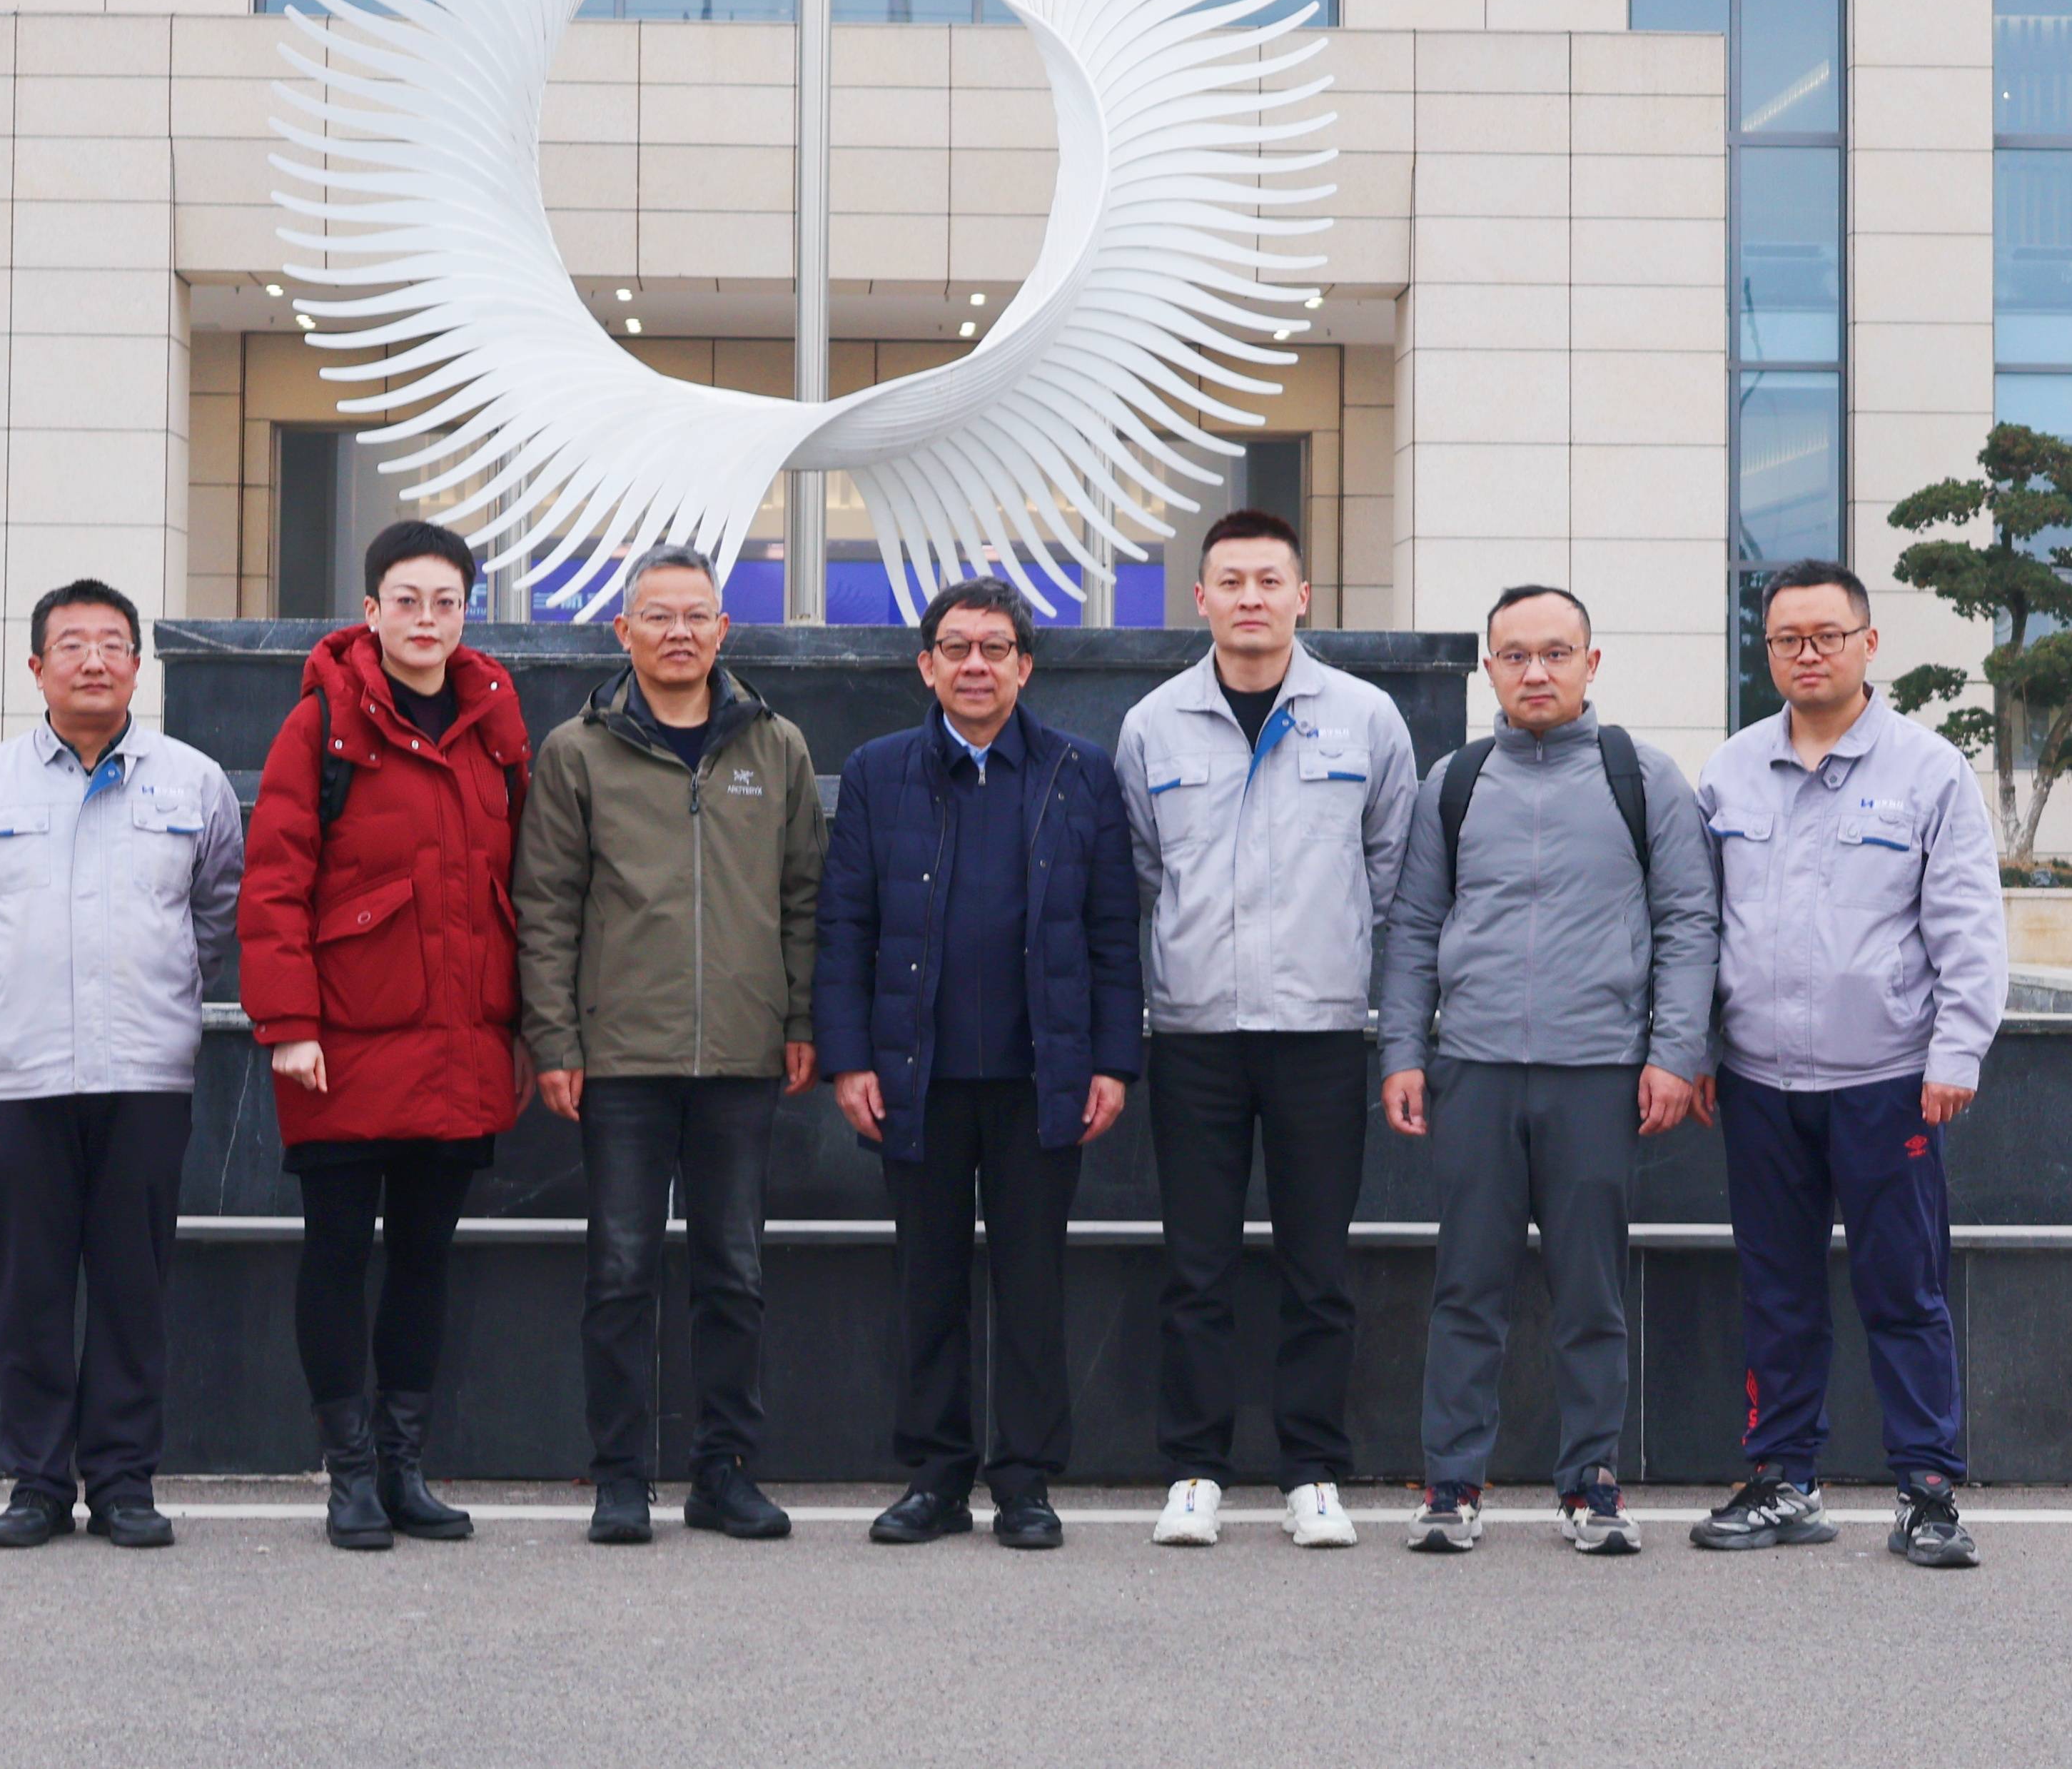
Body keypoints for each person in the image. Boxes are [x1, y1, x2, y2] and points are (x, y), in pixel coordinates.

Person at [1374, 585, 1719, 1557]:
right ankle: (1451, 1483)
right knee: (1466, 1287)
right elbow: (1412, 926)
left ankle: (1591, 1483)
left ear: (1590, 664)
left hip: (1597, 1072)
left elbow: (1688, 922)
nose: (1536, 672)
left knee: (1590, 1291)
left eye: (1556, 653)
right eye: (1516, 655)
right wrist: (1402, 1052)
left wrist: (1674, 1053)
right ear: (1489, 667)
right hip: (1474, 1070)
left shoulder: (1640, 777)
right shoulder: (1454, 781)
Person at [1688, 559, 2005, 1571]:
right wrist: (1696, 1046)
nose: (1808, 653)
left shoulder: (1928, 771)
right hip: (1757, 1083)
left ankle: (1927, 1492)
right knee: (1775, 1290)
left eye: (1828, 635)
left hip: (1888, 1082)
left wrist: (1957, 1050)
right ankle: (1784, 1479)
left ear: (1869, 643)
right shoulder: (1730, 771)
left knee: (1903, 1292)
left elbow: (1968, 924)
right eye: (1787, 638)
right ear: (1767, 651)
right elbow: (1699, 926)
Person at [816, 575, 1143, 1553]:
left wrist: (1113, 1061)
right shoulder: (878, 771)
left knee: (1032, 1283)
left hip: (1043, 1074)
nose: (974, 665)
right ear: (926, 665)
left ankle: (1026, 1481)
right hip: (913, 1072)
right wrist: (848, 1059)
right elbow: (844, 926)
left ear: (1024, 666)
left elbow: (1113, 930)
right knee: (927, 1280)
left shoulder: (1079, 772)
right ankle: (935, 1477)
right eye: (955, 648)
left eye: (994, 648)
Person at [512, 543, 827, 1546]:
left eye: (696, 616)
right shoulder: (577, 750)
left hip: (741, 1054)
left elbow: (804, 899)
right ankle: (619, 1475)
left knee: (734, 1271)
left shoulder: (775, 745)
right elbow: (546, 906)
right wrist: (554, 1039)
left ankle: (723, 1472)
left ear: (724, 629)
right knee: (619, 1272)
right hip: (620, 1059)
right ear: (624, 631)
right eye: (658, 615)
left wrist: (801, 1021)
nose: (678, 632)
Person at [1115, 508, 1417, 1551]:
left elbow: (1393, 875)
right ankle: (1194, 1470)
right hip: (1194, 1032)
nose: (1251, 598)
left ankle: (1311, 1472)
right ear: (1200, 599)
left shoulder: (1367, 717)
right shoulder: (1153, 723)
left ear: (1302, 596)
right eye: (1231, 582)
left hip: (1319, 1032)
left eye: (1269, 581)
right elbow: (1142, 876)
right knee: (1194, 1268)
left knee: (1316, 1268)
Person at [0, 578, 243, 1552]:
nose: (93, 660)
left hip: (145, 1073)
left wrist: (164, 992)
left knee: (132, 1287)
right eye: (71, 644)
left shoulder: (193, 782)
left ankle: (123, 1480)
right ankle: (36, 1481)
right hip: (21, 1075)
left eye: (112, 643)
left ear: (138, 665)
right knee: (29, 1289)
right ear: (37, 668)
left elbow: (218, 912)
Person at [237, 519, 533, 1551]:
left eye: (445, 602)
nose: (426, 619)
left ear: (466, 613)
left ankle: (405, 1469)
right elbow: (275, 882)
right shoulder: (319, 723)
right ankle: (350, 1475)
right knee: (335, 1253)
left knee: (422, 1259)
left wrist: (523, 1027)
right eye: (406, 600)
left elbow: (517, 887)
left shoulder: (494, 722)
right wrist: (288, 1022)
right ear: (370, 611)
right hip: (342, 1046)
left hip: (459, 1041)